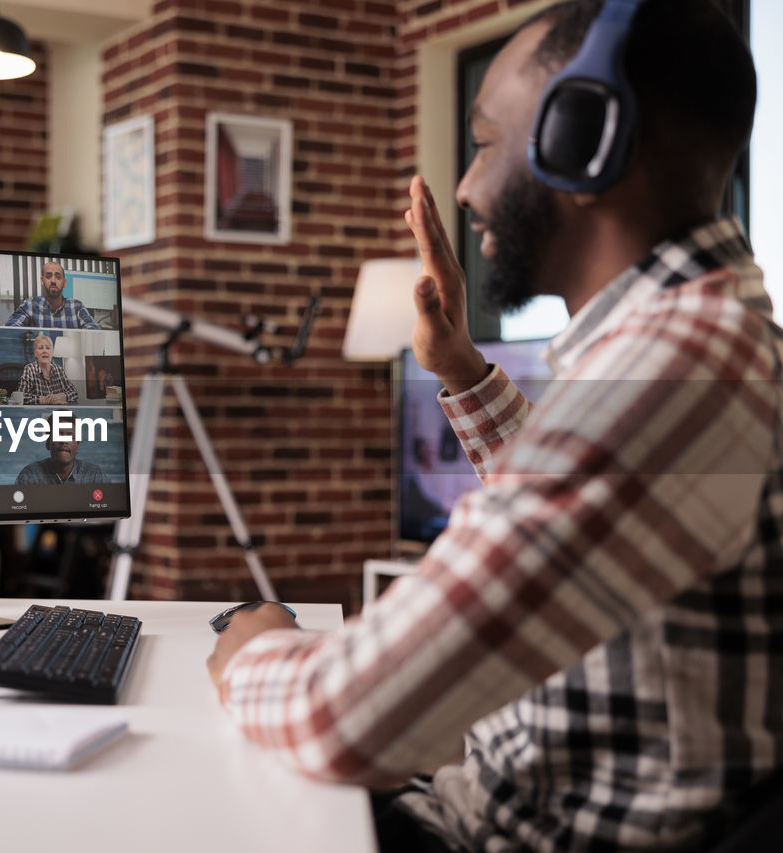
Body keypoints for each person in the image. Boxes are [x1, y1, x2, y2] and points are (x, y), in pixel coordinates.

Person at [207, 2, 775, 850]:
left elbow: (343, 716)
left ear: (586, 140)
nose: (466, 186)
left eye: (482, 142)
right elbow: (579, 517)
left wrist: (256, 642)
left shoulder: (669, 370)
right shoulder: (701, 342)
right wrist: (460, 366)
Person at [4, 260, 101, 329]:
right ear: (42, 281)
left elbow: (93, 330)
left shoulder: (76, 306)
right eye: (48, 276)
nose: (53, 281)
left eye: (58, 277)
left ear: (64, 283)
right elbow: (11, 327)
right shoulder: (30, 305)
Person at [15, 417, 106, 485]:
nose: (63, 441)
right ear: (47, 443)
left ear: (77, 446)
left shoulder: (94, 474)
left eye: (70, 435)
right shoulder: (30, 474)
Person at [15, 333, 77, 405]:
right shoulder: (29, 369)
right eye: (40, 348)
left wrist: (59, 396)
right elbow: (21, 397)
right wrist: (45, 400)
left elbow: (74, 392)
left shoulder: (59, 370)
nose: (45, 351)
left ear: (52, 352)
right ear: (35, 353)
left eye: (48, 348)